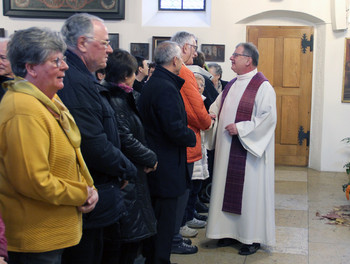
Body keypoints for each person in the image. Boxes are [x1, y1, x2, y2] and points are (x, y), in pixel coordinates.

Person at [0, 27, 98, 264]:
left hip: (52, 230)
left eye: (62, 59)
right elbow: (34, 180)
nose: (64, 66)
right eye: (55, 60)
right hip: (36, 236)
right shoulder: (23, 109)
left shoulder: (46, 100)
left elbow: (72, 153)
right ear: (31, 67)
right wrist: (81, 192)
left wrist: (90, 187)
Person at [58, 13, 137, 264]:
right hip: (91, 192)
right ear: (82, 43)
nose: (110, 49)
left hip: (101, 190)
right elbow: (92, 143)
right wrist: (127, 169)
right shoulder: (74, 80)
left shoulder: (83, 77)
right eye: (104, 43)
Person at [205, 42, 277, 255]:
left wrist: (242, 128)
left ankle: (250, 237)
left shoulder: (263, 87)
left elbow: (267, 119)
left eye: (235, 55)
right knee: (224, 189)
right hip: (227, 150)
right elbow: (217, 106)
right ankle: (226, 232)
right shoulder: (232, 84)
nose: (231, 59)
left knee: (248, 193)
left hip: (249, 154)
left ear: (249, 60)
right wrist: (212, 114)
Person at [138, 41, 196, 264]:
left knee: (158, 224)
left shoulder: (157, 82)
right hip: (166, 167)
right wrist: (190, 136)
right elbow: (173, 129)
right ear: (174, 61)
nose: (181, 62)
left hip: (159, 163)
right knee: (163, 226)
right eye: (180, 59)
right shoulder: (165, 87)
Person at [102, 49, 158, 264]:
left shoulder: (124, 96)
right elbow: (125, 138)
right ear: (126, 75)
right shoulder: (114, 99)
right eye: (134, 73)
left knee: (131, 238)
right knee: (125, 241)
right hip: (126, 174)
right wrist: (150, 157)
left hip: (132, 171)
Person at [170, 31, 212, 253]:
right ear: (184, 47)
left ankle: (175, 233)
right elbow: (196, 111)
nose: (196, 52)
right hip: (186, 141)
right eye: (194, 47)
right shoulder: (184, 72)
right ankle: (175, 236)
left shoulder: (173, 71)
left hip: (180, 142)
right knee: (182, 192)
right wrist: (207, 122)